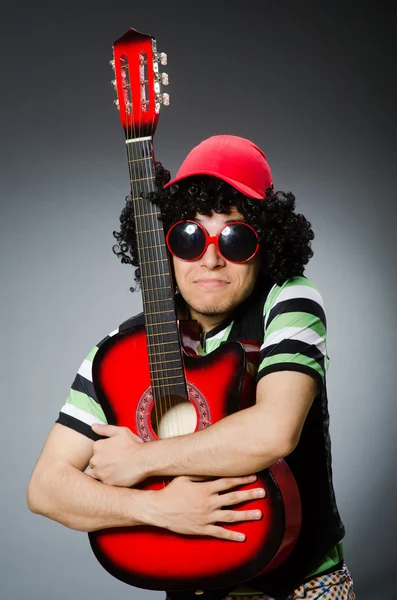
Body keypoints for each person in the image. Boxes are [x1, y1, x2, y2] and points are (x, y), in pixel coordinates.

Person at [27, 135, 355, 600]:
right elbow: (46, 488)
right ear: (165, 244)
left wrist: (140, 460)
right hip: (190, 586)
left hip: (296, 582)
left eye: (236, 237)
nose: (211, 257)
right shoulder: (119, 353)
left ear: (268, 245)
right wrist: (157, 507)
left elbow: (273, 432)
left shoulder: (288, 301)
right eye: (189, 235)